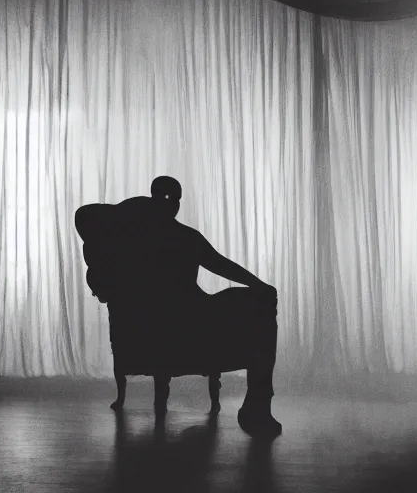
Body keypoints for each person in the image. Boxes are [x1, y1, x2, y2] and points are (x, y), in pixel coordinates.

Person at [77, 176, 282, 437]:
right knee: (256, 306)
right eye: (165, 199)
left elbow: (221, 265)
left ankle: (258, 402)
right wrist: (130, 210)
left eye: (175, 200)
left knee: (260, 302)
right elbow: (86, 218)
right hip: (174, 322)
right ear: (153, 200)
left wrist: (259, 285)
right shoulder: (135, 241)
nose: (171, 205)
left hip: (196, 314)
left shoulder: (183, 237)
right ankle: (257, 401)